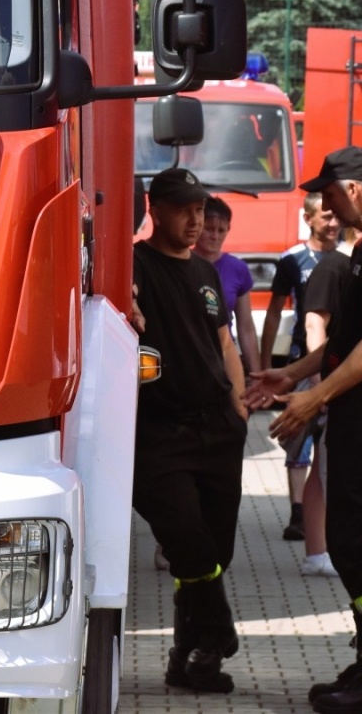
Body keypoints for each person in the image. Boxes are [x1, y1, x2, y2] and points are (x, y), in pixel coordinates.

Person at [246, 147, 362, 714]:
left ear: (352, 192)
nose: (320, 203)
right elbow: (349, 341)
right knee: (351, 542)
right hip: (357, 417)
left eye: (326, 191)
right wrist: (293, 372)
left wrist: (312, 399)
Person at [132, 168, 250, 695]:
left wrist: (240, 408)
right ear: (155, 208)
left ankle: (192, 659)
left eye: (200, 208)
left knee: (210, 551)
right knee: (186, 535)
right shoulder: (132, 263)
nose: (195, 218)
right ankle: (218, 629)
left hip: (217, 429)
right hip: (160, 430)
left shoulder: (205, 273)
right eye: (184, 208)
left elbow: (224, 343)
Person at [260, 193, 340, 541]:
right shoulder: (292, 259)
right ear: (308, 219)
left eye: (336, 217)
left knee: (329, 439)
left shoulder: (350, 258)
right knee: (297, 435)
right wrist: (265, 363)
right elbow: (276, 310)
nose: (333, 223)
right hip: (302, 360)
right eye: (325, 217)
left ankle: (322, 512)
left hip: (340, 361)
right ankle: (296, 511)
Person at [296, 221, 360, 576]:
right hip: (332, 383)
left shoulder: (346, 265)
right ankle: (321, 551)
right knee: (326, 467)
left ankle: (317, 552)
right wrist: (321, 384)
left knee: (321, 467)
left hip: (335, 382)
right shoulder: (333, 267)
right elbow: (314, 325)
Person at [197, 196, 262, 376]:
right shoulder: (183, 262)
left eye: (221, 230)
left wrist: (255, 374)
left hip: (224, 358)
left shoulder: (238, 269)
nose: (215, 236)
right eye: (209, 229)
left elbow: (246, 327)